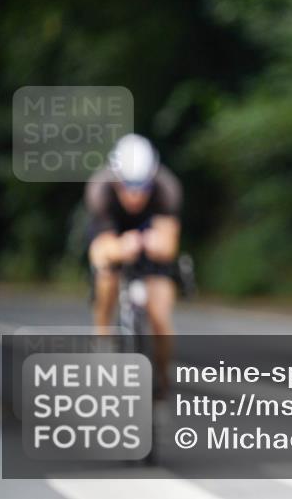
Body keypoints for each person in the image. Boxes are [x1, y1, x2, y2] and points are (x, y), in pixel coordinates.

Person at [85, 133, 183, 399]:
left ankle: (162, 375)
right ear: (116, 180)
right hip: (116, 238)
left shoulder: (167, 188)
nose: (135, 196)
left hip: (151, 245)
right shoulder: (100, 189)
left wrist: (157, 244)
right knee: (105, 278)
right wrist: (119, 248)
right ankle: (103, 340)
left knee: (161, 316)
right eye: (128, 187)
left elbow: (169, 243)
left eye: (143, 187)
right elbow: (100, 248)